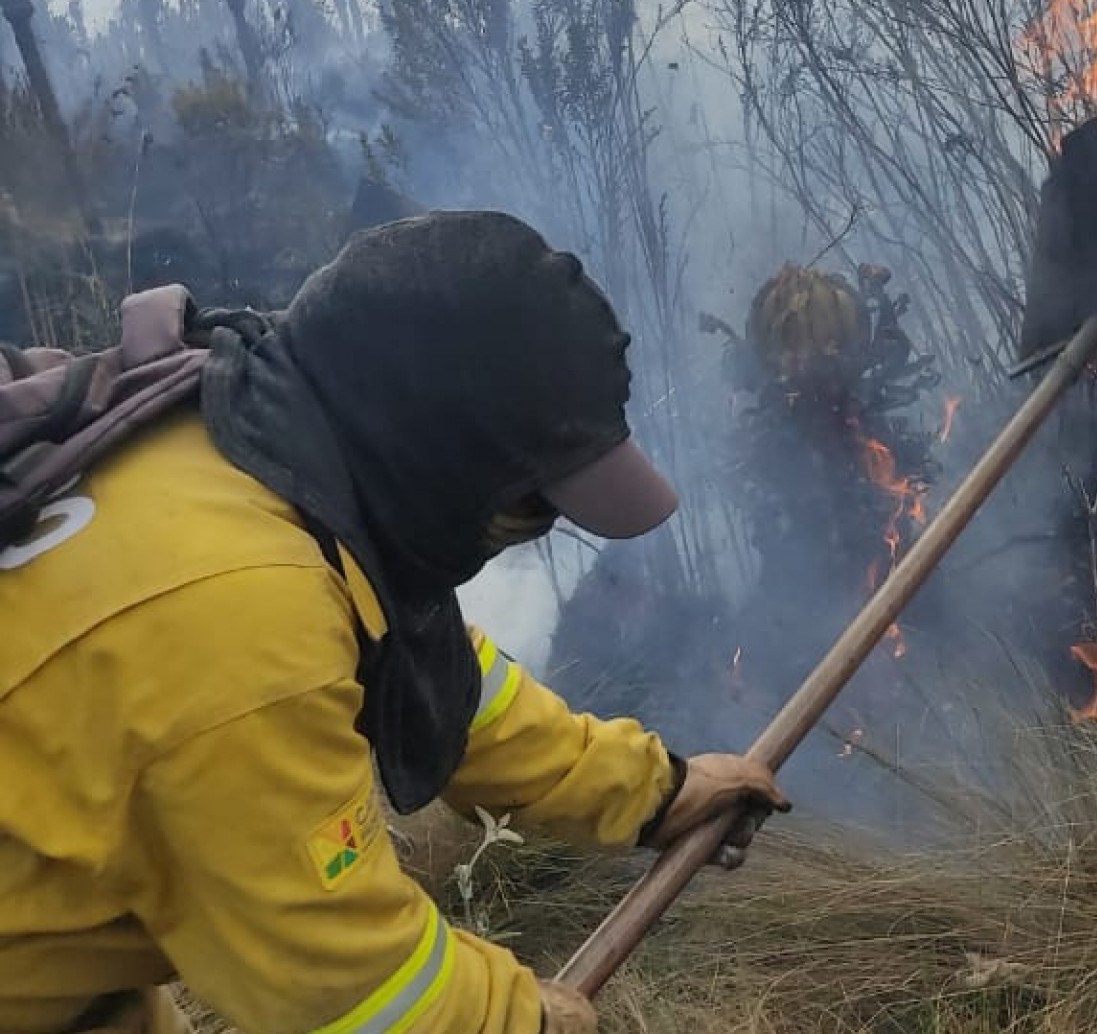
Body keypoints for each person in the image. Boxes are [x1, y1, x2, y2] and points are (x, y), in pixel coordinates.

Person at [0, 211, 791, 1033]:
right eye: (530, 501)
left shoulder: (262, 450)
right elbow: (339, 981)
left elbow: (452, 688)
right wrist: (519, 1021)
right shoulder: (238, 630)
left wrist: (657, 791)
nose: (535, 525)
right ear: (438, 455)